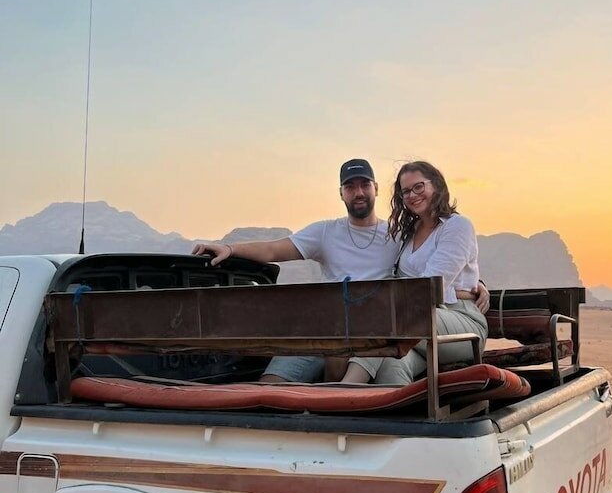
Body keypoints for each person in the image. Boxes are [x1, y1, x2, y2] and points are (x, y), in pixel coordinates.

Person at [192, 158, 489, 383]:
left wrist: (474, 287)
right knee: (274, 382)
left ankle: (348, 394)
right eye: (350, 186)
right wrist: (230, 248)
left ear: (375, 189)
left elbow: (434, 279)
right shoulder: (332, 233)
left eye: (364, 185)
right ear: (341, 193)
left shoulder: (395, 235)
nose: (358, 192)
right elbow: (274, 250)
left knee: (384, 321)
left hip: (389, 326)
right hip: (335, 328)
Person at [340, 160, 489, 386]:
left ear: (436, 185)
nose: (412, 195)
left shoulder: (457, 226)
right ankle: (393, 416)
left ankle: (346, 387)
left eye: (418, 187)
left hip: (461, 323)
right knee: (392, 362)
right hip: (415, 327)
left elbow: (428, 286)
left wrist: (476, 285)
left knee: (390, 315)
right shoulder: (408, 234)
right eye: (405, 191)